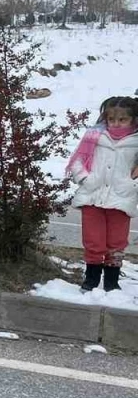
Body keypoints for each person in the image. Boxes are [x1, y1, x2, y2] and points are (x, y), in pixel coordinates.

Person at [66, 95, 138, 291]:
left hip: (122, 198)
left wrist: (133, 185)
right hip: (92, 196)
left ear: (134, 119)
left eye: (122, 119)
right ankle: (91, 281)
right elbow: (78, 160)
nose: (116, 124)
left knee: (116, 243)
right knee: (93, 241)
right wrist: (84, 178)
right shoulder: (95, 136)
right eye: (111, 119)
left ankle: (111, 284)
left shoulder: (136, 141)